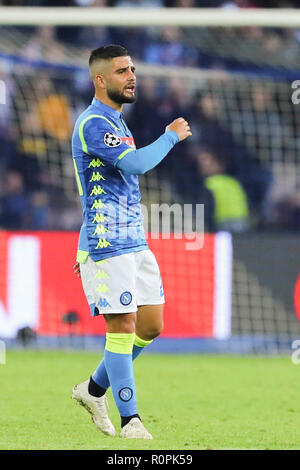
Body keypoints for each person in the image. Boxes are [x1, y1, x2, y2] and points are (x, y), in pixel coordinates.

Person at [71, 44, 192, 439]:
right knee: (121, 326)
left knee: (152, 325)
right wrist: (170, 136)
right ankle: (132, 421)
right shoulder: (93, 123)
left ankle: (92, 390)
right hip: (108, 244)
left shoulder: (118, 123)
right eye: (122, 71)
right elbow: (137, 164)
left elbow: (98, 188)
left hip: (134, 240)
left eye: (133, 69)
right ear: (100, 79)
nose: (132, 76)